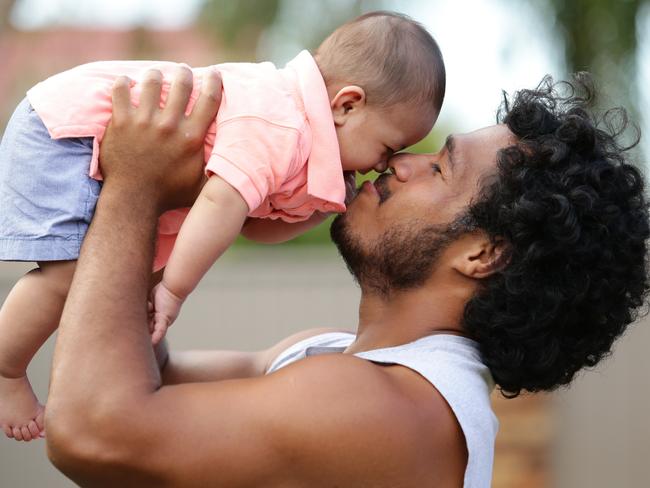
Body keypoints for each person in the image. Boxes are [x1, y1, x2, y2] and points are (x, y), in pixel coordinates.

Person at [37, 65, 648, 487]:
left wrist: (136, 183)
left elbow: (96, 428)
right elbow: (148, 373)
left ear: (483, 253)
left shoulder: (389, 409)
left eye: (440, 168)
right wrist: (184, 195)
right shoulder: (333, 360)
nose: (403, 162)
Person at [0, 11, 446, 440]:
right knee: (74, 279)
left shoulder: (298, 135)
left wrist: (320, 209)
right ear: (347, 104)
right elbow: (221, 203)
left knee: (108, 279)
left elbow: (252, 226)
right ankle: (5, 368)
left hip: (88, 140)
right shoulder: (280, 122)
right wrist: (174, 291)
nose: (384, 166)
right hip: (68, 131)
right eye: (389, 147)